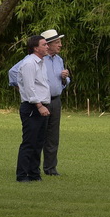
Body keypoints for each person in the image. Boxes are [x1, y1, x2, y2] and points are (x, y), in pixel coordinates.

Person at [16, 34, 52, 182]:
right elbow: (29, 87)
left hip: (42, 106)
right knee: (29, 142)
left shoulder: (41, 63)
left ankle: (34, 173)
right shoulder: (29, 63)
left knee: (38, 142)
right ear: (36, 48)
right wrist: (39, 105)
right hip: (32, 107)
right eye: (44, 45)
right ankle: (22, 174)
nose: (47, 47)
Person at [41, 29, 70, 176]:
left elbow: (63, 82)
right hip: (40, 102)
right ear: (48, 44)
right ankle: (31, 168)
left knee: (53, 137)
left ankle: (50, 169)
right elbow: (14, 73)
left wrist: (64, 77)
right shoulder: (37, 59)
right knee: (37, 135)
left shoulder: (59, 60)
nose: (60, 45)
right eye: (57, 42)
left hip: (55, 101)